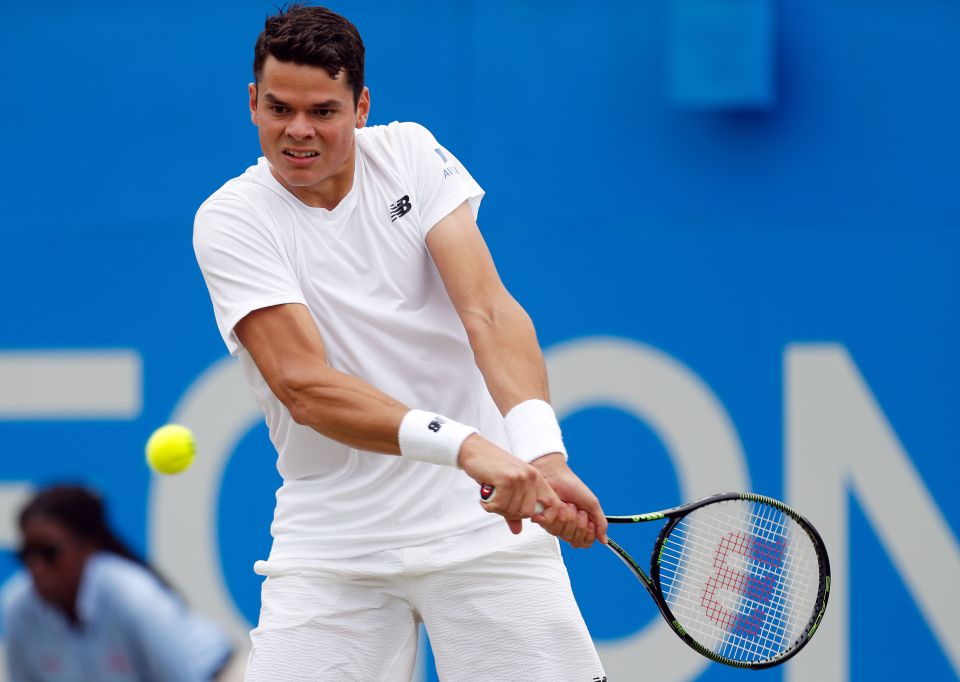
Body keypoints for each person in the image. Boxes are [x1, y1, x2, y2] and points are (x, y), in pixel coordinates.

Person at [193, 5, 608, 680]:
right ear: (252, 102)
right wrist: (468, 446)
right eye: (279, 109)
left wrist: (541, 451)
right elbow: (305, 387)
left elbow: (490, 313)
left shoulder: (411, 154)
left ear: (360, 107)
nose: (298, 131)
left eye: (323, 111)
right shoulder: (231, 219)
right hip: (333, 545)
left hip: (482, 533)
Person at [1, 485, 233, 682]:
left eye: (49, 553)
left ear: (88, 547)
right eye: (25, 554)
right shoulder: (17, 606)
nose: (36, 567)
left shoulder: (134, 596)